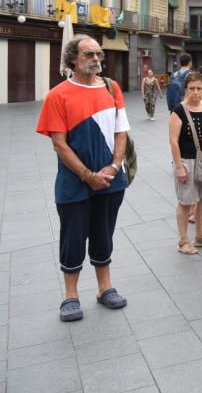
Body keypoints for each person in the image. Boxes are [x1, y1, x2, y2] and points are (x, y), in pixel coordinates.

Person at [37, 35, 130, 322]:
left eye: (98, 54)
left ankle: (105, 289)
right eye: (89, 54)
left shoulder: (111, 88)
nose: (96, 59)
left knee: (104, 233)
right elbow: (59, 143)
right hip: (74, 182)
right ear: (72, 59)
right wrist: (88, 176)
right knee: (72, 237)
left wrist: (114, 167)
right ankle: (71, 296)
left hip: (110, 179)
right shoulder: (58, 95)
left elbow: (121, 132)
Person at [169, 72, 202, 255]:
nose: (196, 93)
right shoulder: (179, 111)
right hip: (187, 160)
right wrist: (179, 166)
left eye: (200, 88)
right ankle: (183, 241)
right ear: (186, 89)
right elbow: (173, 141)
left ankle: (200, 236)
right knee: (186, 202)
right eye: (192, 89)